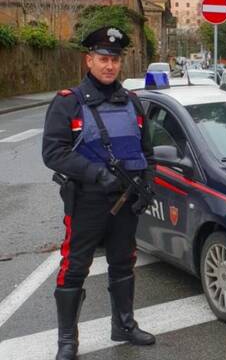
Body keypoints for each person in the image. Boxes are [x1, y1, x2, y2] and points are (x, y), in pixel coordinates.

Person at [42, 26, 156, 360]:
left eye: (115, 60)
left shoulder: (132, 103)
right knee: (75, 267)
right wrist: (96, 174)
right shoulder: (68, 103)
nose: (109, 66)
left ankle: (124, 325)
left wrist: (148, 185)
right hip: (88, 200)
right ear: (89, 59)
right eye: (103, 59)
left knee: (124, 262)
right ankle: (67, 341)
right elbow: (54, 153)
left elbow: (147, 152)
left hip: (127, 200)